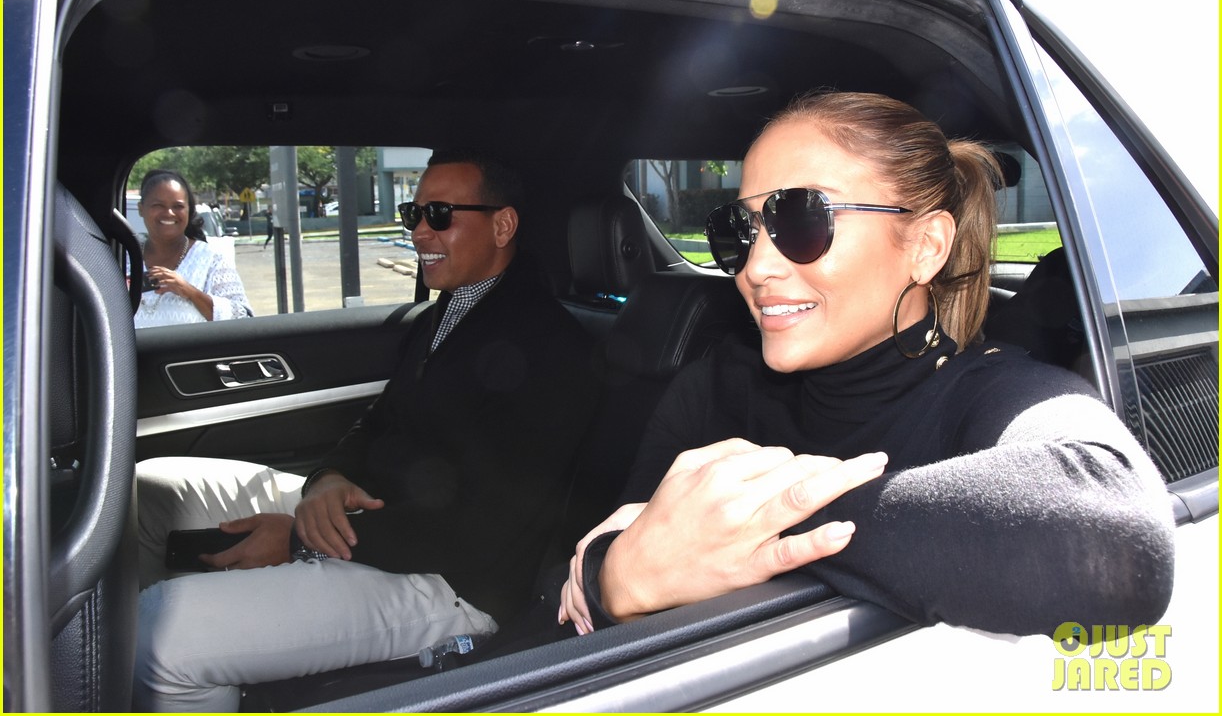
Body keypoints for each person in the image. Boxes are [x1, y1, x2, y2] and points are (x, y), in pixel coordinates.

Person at [559, 91, 1175, 638]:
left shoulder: (991, 398)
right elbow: (621, 574)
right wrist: (617, 580)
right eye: (741, 229)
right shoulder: (715, 386)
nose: (755, 268)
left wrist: (736, 530)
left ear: (926, 246)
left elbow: (1117, 545)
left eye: (802, 219)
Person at [134, 153, 596, 711]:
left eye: (440, 214)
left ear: (503, 226)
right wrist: (330, 479)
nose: (419, 231)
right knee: (150, 491)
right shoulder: (447, 314)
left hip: (454, 581)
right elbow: (378, 420)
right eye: (413, 213)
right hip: (377, 519)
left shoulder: (552, 349)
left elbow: (483, 525)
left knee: (163, 635)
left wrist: (302, 542)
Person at [134, 170, 252, 327]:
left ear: (189, 210)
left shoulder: (211, 259)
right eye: (158, 205)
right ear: (141, 209)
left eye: (178, 206)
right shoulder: (124, 257)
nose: (169, 213)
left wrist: (189, 291)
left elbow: (243, 319)